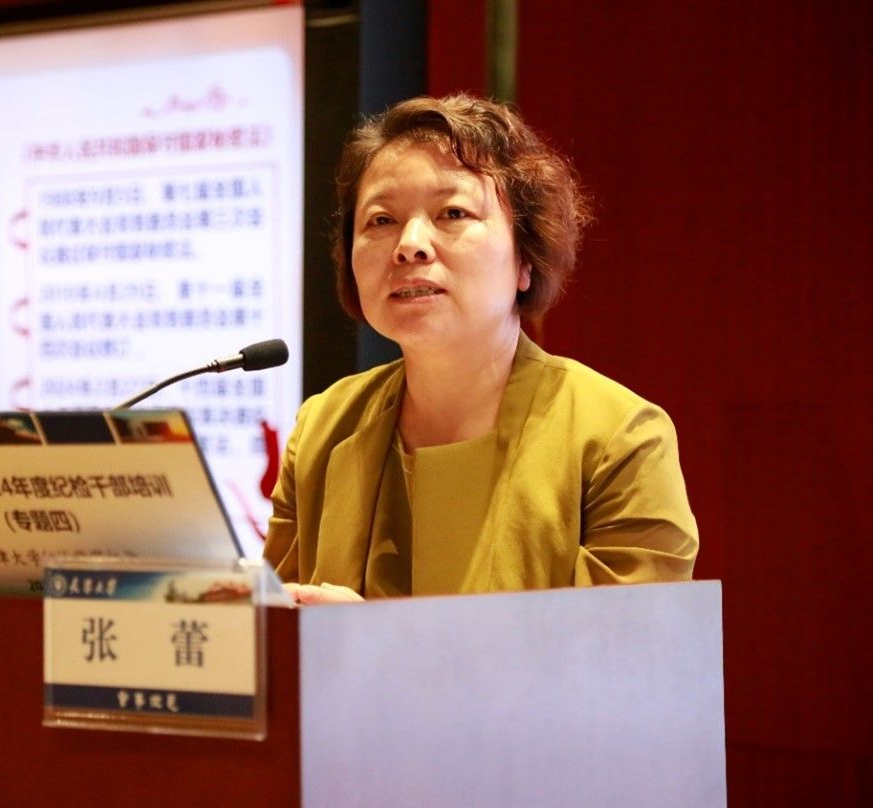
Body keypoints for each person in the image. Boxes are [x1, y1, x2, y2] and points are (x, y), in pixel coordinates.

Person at [262, 94, 698, 604]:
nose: (410, 244)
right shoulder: (323, 428)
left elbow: (625, 647)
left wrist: (370, 639)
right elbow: (272, 631)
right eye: (381, 220)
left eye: (453, 212)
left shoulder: (618, 438)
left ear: (525, 259)